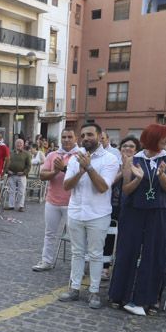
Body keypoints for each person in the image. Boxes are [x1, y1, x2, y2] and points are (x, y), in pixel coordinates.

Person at [108, 124, 166, 316]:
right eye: (164, 137)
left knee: (154, 254)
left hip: (158, 211)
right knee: (127, 251)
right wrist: (138, 179)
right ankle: (119, 294)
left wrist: (161, 175)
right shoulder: (133, 159)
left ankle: (149, 298)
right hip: (133, 211)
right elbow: (126, 190)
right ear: (153, 137)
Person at [59, 123, 121, 309]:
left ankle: (94, 291)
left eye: (90, 134)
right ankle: (74, 288)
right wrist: (80, 171)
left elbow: (103, 187)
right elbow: (66, 186)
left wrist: (90, 168)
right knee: (77, 252)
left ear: (100, 136)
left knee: (96, 254)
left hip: (98, 214)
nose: (86, 138)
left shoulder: (110, 159)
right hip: (76, 211)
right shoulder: (74, 159)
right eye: (83, 135)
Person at [32, 129, 77, 271]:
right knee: (50, 233)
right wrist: (55, 171)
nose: (67, 139)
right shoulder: (52, 155)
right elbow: (42, 175)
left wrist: (64, 168)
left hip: (73, 203)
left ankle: (77, 266)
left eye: (70, 137)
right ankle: (47, 261)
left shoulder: (80, 155)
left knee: (76, 236)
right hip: (53, 200)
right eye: (64, 137)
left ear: (75, 138)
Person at [103, 136, 141, 279]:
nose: (127, 149)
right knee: (108, 237)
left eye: (131, 146)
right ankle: (105, 267)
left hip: (132, 206)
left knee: (127, 238)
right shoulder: (114, 163)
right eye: (124, 146)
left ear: (136, 150)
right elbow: (109, 183)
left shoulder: (139, 164)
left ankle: (123, 267)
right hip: (113, 204)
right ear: (120, 149)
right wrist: (123, 169)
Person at [5, 138, 31, 212]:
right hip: (11, 174)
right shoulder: (10, 153)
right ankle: (11, 205)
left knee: (21, 191)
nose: (19, 144)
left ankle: (21, 206)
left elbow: (29, 165)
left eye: (20, 143)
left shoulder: (26, 154)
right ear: (15, 144)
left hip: (22, 175)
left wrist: (24, 172)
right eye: (17, 143)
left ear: (23, 145)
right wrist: (7, 171)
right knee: (11, 191)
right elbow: (6, 163)